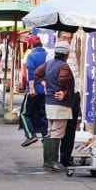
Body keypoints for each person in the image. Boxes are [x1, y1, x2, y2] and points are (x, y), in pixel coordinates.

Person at [33, 40, 76, 171]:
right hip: (60, 104)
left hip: (49, 102)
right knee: (57, 132)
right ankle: (52, 162)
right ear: (67, 54)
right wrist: (64, 91)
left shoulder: (49, 63)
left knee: (50, 132)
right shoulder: (64, 66)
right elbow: (63, 79)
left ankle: (48, 162)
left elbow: (36, 73)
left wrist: (44, 83)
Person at [58, 31, 83, 168]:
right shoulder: (53, 54)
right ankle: (53, 158)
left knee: (71, 128)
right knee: (57, 128)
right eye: (64, 37)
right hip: (60, 96)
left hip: (74, 95)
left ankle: (66, 157)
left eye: (69, 38)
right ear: (58, 38)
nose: (67, 40)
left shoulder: (75, 53)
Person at [20, 35, 48, 147]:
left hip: (35, 89)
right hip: (46, 90)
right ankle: (46, 138)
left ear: (31, 45)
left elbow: (31, 73)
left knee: (24, 113)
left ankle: (31, 135)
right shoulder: (48, 55)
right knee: (44, 115)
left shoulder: (32, 56)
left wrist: (31, 88)